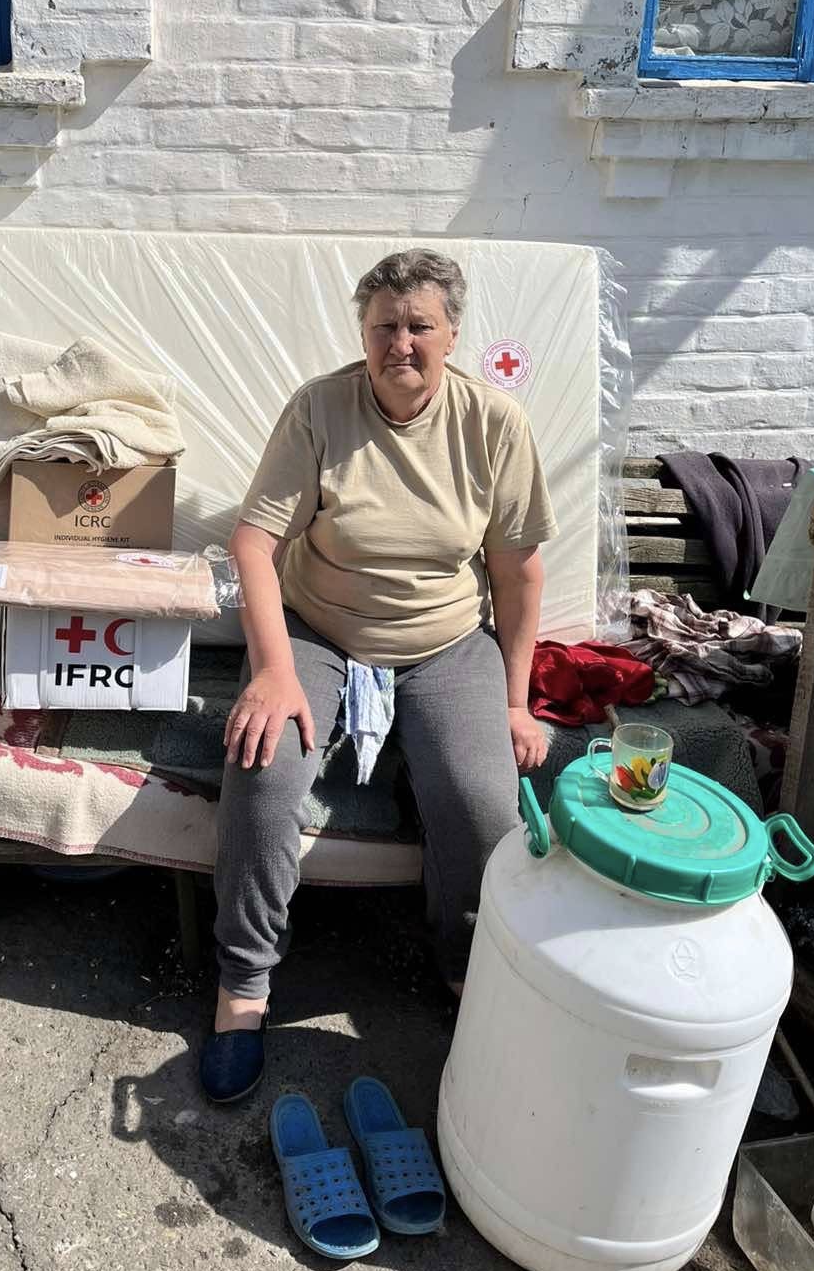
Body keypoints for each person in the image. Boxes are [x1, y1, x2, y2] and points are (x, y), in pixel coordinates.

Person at [200, 248, 558, 1102]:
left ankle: (464, 966)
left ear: (451, 334)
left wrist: (516, 702)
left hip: (445, 641)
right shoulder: (319, 409)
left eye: (419, 325)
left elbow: (517, 574)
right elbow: (254, 543)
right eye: (383, 326)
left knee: (482, 801)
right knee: (263, 770)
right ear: (363, 335)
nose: (401, 342)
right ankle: (243, 985)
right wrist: (273, 670)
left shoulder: (495, 424)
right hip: (319, 629)